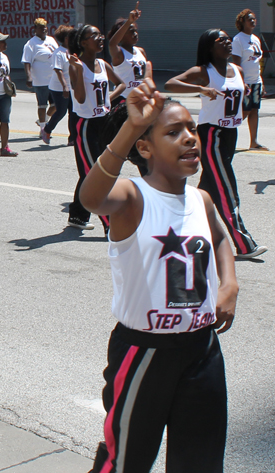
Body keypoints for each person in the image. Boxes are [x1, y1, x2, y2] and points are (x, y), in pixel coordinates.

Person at [79, 79, 238, 473]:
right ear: (146, 148)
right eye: (174, 132)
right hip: (145, 352)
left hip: (202, 349)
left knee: (199, 459)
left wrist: (230, 283)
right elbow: (91, 198)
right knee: (127, 459)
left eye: (191, 130)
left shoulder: (200, 200)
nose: (190, 139)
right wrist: (131, 127)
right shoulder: (133, 197)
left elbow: (220, 239)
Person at [165, 29, 267, 259]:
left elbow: (239, 94)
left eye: (229, 39)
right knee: (226, 187)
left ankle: (174, 229)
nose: (228, 43)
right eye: (222, 40)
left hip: (230, 134)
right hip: (212, 135)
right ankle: (244, 244)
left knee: (207, 188)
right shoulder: (204, 72)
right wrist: (200, 89)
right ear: (210, 47)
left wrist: (246, 92)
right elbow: (171, 84)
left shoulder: (238, 70)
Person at [67, 24, 125, 232]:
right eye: (95, 36)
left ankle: (77, 215)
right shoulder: (77, 66)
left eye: (101, 34)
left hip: (104, 122)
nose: (100, 38)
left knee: (92, 173)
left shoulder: (102, 63)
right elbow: (81, 98)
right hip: (86, 125)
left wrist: (109, 98)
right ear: (83, 43)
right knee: (96, 174)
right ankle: (110, 224)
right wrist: (78, 71)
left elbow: (121, 84)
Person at [232, 9, 268, 150]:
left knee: (254, 111)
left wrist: (261, 81)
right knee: (245, 111)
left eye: (254, 19)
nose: (253, 21)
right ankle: (226, 130)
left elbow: (257, 63)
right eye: (249, 19)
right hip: (245, 82)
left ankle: (253, 142)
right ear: (242, 22)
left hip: (256, 81)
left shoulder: (255, 39)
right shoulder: (238, 39)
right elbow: (236, 64)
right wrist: (242, 82)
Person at [108, 1, 151, 107]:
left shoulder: (140, 51)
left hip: (140, 98)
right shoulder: (119, 53)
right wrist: (128, 22)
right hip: (123, 100)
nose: (135, 34)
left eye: (136, 31)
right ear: (122, 35)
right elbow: (112, 44)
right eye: (131, 31)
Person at [21, 18, 58, 132]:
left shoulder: (51, 40)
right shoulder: (31, 44)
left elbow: (58, 55)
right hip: (40, 80)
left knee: (56, 105)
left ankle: (44, 119)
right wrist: (29, 77)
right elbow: (27, 61)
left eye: (45, 27)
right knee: (42, 105)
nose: (44, 29)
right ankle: (43, 128)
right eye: (41, 28)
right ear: (35, 29)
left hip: (54, 79)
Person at [40, 25, 74, 145]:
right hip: (59, 88)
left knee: (74, 112)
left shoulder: (73, 51)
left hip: (72, 87)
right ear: (66, 39)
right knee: (61, 112)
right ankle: (47, 130)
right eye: (71, 36)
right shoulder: (58, 53)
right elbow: (58, 70)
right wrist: (65, 86)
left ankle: (72, 138)